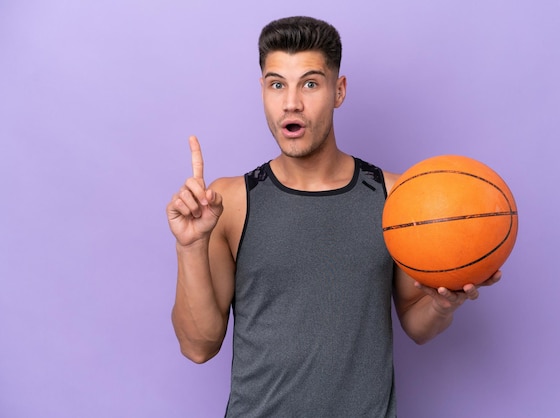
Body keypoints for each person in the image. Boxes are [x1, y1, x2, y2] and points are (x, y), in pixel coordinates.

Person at [166, 16, 501, 417]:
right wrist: (190, 246)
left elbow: (416, 324)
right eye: (277, 84)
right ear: (262, 92)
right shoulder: (229, 203)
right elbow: (198, 347)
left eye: (310, 83)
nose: (291, 102)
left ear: (338, 91)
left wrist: (444, 306)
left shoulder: (396, 198)